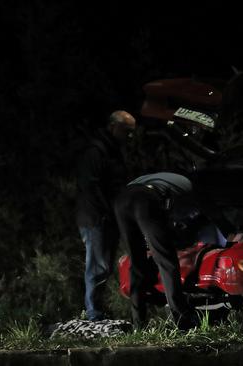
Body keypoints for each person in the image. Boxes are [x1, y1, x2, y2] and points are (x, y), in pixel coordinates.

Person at [113, 172, 222, 331]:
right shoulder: (191, 188)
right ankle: (182, 320)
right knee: (167, 262)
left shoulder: (167, 180)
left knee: (137, 263)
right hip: (145, 199)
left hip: (122, 200)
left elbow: (166, 218)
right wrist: (228, 230)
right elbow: (209, 211)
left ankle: (138, 324)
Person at [75, 110, 136, 321]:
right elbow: (90, 186)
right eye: (126, 131)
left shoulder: (112, 150)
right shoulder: (96, 151)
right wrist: (105, 213)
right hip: (96, 218)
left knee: (105, 266)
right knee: (98, 266)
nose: (129, 136)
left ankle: (97, 311)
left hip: (107, 217)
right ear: (113, 127)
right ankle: (94, 313)